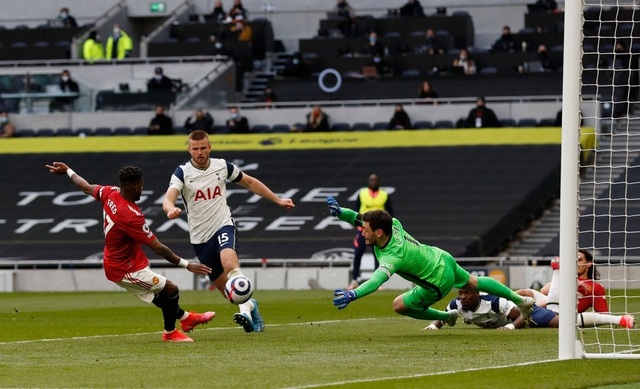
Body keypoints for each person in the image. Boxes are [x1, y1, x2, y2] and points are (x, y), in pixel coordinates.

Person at [45, 162, 215, 342]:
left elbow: (85, 186)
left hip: (130, 260)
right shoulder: (130, 215)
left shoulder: (110, 192)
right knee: (170, 289)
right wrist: (187, 265)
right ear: (135, 186)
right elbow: (158, 248)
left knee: (160, 294)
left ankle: (186, 319)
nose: (142, 188)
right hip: (124, 269)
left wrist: (68, 171)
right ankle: (170, 332)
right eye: (141, 185)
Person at [161, 130, 295, 333]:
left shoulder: (222, 166)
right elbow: (168, 198)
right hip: (200, 237)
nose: (199, 152)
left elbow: (249, 182)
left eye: (203, 148)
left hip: (223, 225)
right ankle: (250, 306)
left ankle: (246, 314)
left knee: (230, 264)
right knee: (229, 293)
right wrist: (170, 208)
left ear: (210, 147)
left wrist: (277, 200)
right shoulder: (182, 172)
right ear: (189, 149)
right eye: (195, 148)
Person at [327, 196, 536, 326]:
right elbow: (358, 217)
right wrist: (340, 213)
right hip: (442, 257)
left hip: (437, 282)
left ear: (379, 232)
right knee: (473, 282)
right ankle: (521, 300)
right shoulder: (394, 223)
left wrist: (354, 293)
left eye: (365, 230)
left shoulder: (392, 257)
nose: (362, 232)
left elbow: (376, 281)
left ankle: (447, 317)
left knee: (399, 305)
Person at [517, 250, 635, 329]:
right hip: (549, 304)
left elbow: (603, 313)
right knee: (525, 292)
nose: (575, 263)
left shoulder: (596, 288)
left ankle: (524, 314)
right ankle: (503, 299)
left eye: (579, 260)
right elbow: (544, 290)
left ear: (588, 264)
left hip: (564, 313)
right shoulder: (565, 277)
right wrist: (573, 282)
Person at [424, 287, 635, 330]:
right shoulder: (457, 304)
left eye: (466, 294)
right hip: (521, 310)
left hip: (529, 313)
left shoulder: (495, 301)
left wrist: (511, 328)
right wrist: (434, 326)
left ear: (477, 294)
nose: (462, 297)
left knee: (567, 322)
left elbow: (522, 318)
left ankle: (619, 320)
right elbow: (443, 317)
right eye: (460, 294)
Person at [346, 174, 394, 290]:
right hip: (363, 230)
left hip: (378, 232)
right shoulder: (362, 193)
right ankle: (354, 280)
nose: (373, 182)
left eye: (375, 180)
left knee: (377, 255)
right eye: (371, 180)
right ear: (368, 181)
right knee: (358, 253)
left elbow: (390, 213)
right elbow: (355, 211)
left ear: (379, 182)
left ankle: (378, 282)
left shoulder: (384, 194)